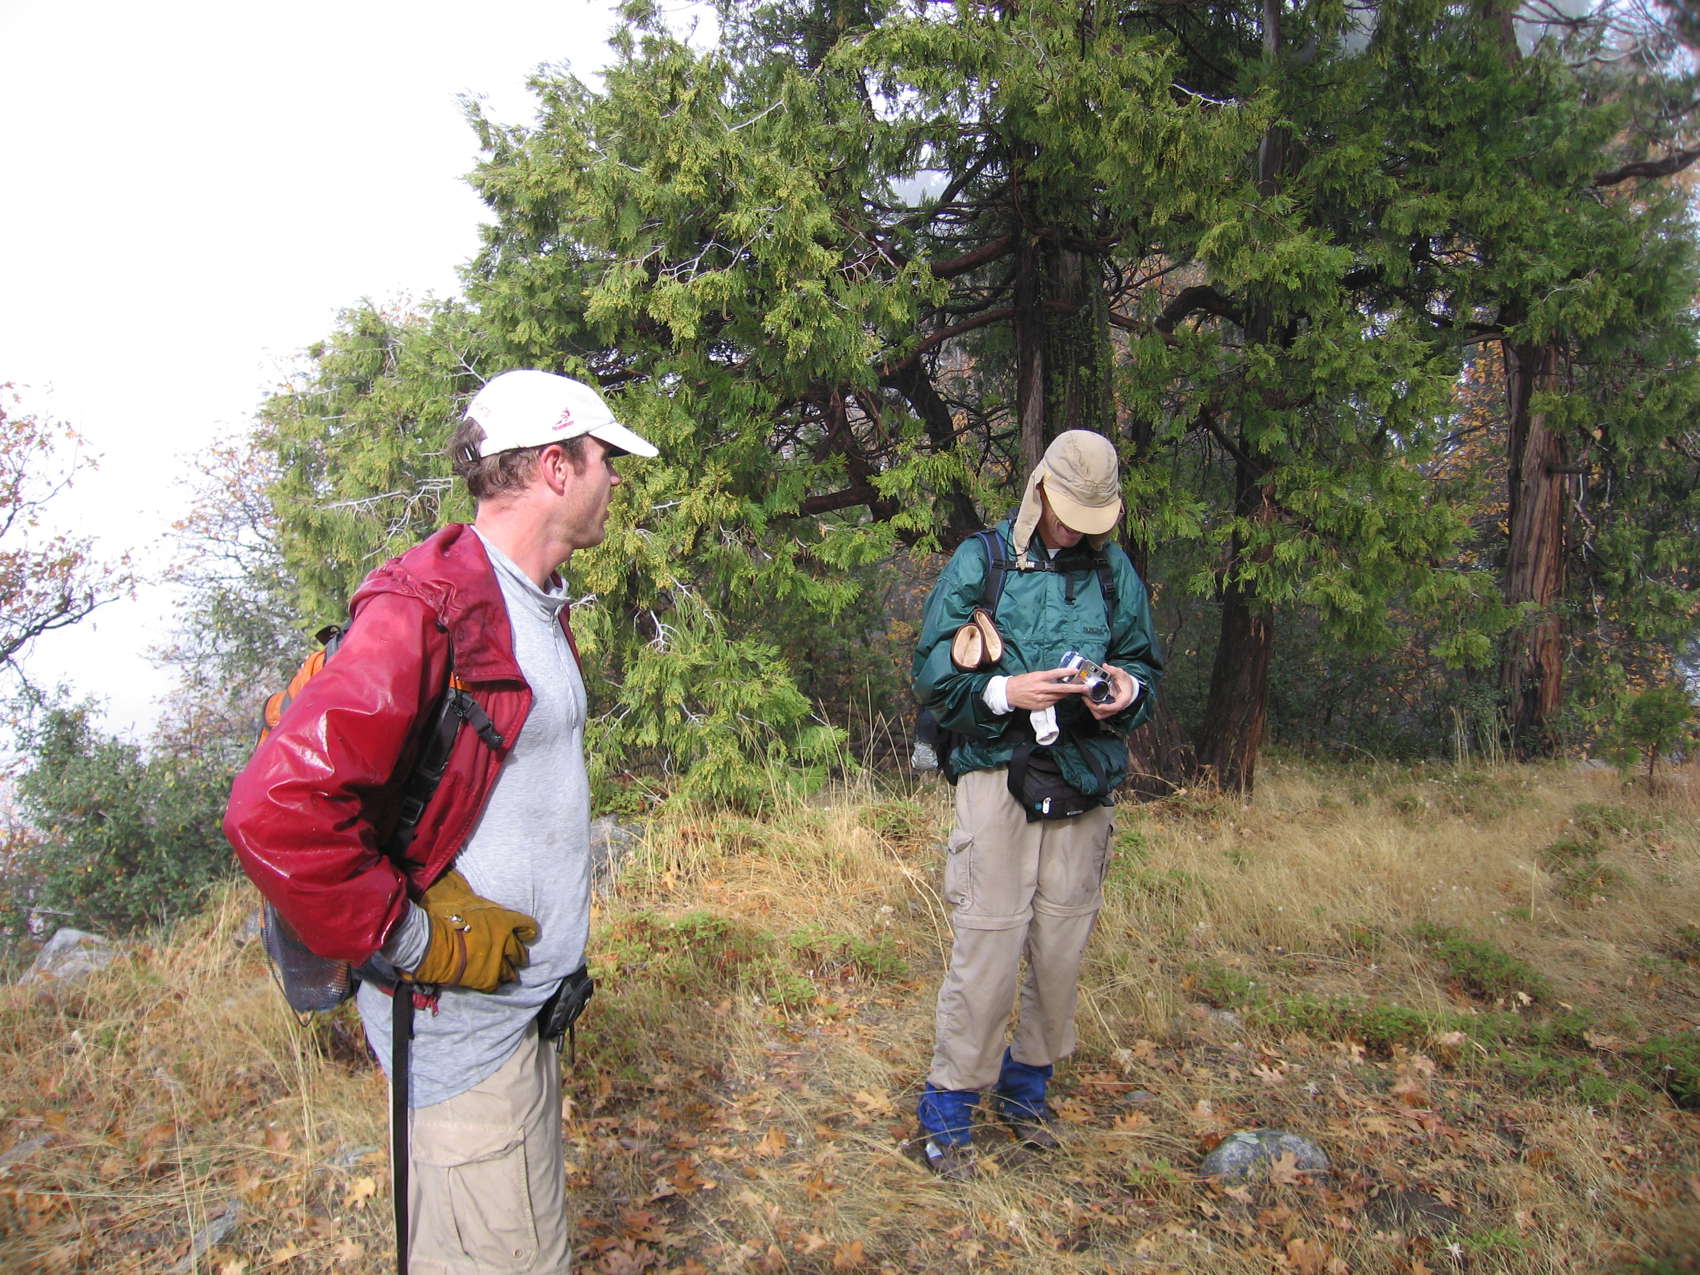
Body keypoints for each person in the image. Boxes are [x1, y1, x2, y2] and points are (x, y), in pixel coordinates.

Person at [225, 369, 658, 1273]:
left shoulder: (525, 599)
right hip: (461, 1041)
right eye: (604, 458)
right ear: (555, 466)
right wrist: (414, 938)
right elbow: (275, 810)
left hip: (517, 1019)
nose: (617, 477)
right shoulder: (426, 607)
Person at [910, 429, 1163, 1180]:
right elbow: (932, 674)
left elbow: (1143, 665)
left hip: (1083, 776)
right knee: (988, 943)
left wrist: (1126, 691)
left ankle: (1027, 1092)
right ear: (1040, 489)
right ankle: (949, 1114)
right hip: (997, 770)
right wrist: (1004, 691)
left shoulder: (1114, 572)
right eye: (1067, 513)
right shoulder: (982, 560)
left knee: (1061, 945)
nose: (1076, 531)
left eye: (1092, 518)